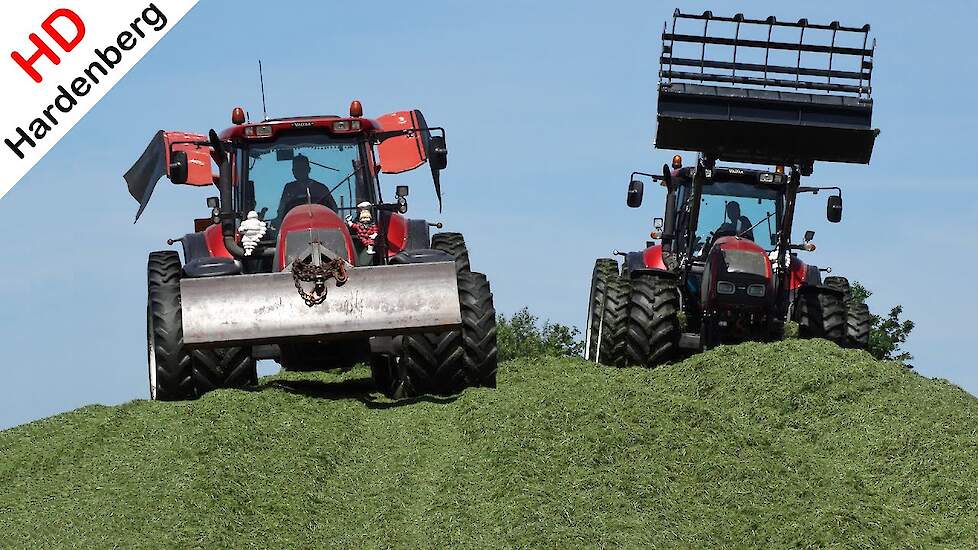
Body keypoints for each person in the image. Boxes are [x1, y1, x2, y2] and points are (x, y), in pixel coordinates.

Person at [276, 154, 338, 221]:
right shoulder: (289, 188)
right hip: (294, 226)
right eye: (296, 169)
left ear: (308, 169)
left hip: (320, 225)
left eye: (301, 168)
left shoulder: (321, 189)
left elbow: (334, 210)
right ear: (293, 171)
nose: (298, 171)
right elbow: (281, 212)